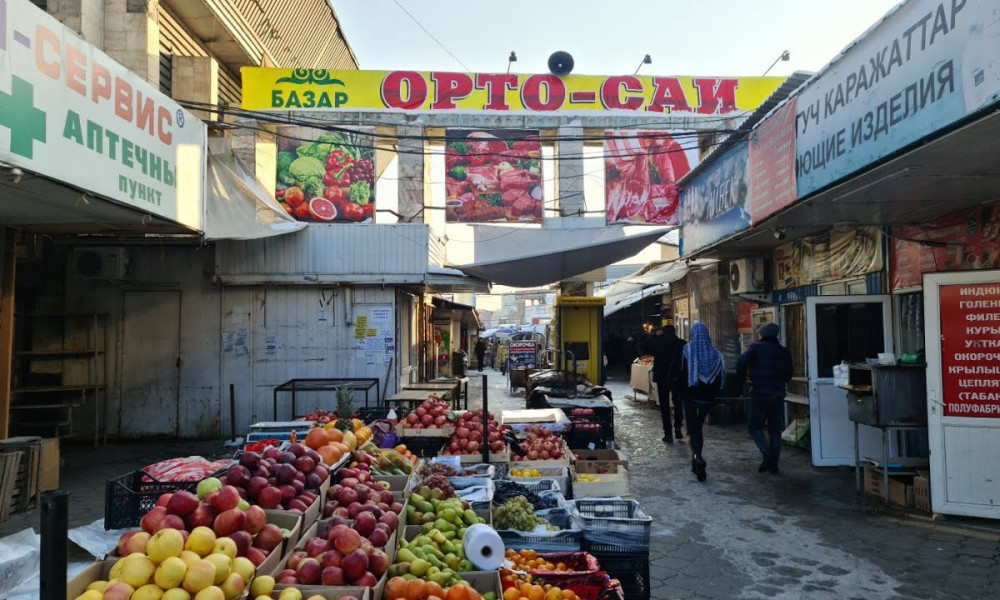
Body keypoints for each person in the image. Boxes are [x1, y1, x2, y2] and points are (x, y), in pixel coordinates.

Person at [737, 322, 793, 474]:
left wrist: (745, 379)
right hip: (777, 395)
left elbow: (741, 361)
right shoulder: (783, 351)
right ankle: (773, 462)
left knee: (755, 427)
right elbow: (789, 374)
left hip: (760, 394)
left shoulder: (755, 348)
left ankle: (768, 455)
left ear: (762, 334)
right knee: (775, 431)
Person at [680, 322, 726, 482]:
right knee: (697, 428)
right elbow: (720, 378)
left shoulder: (687, 351)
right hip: (707, 398)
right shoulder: (715, 354)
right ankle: (696, 459)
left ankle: (697, 457)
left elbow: (680, 375)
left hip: (690, 397)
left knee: (693, 429)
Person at [649, 326, 686, 443]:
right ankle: (678, 427)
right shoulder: (682, 343)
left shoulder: (658, 342)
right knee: (678, 402)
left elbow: (646, 345)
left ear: (663, 332)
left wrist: (656, 335)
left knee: (664, 405)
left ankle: (668, 433)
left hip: (662, 378)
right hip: (676, 377)